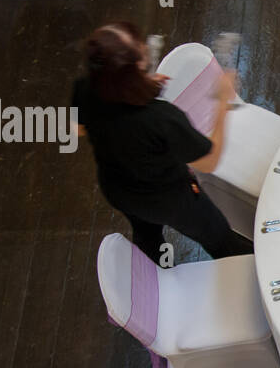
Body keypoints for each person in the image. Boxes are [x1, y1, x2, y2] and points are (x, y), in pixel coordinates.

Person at [72, 21, 253, 263]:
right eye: (139, 47)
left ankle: (155, 272)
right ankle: (245, 269)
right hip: (172, 199)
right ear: (135, 67)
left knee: (147, 236)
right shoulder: (160, 118)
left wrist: (135, 88)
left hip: (118, 189)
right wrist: (222, 102)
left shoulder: (84, 89)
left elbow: (79, 129)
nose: (145, 47)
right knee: (219, 237)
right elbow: (209, 162)